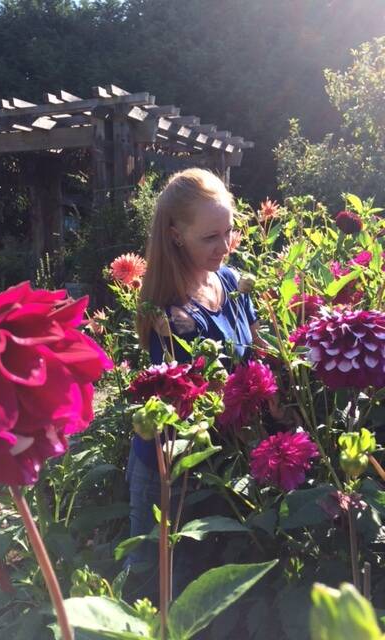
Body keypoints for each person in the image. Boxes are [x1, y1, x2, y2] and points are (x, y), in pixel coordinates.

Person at [127, 168, 265, 598]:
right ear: (175, 235)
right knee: (159, 581)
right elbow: (185, 407)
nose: (224, 247)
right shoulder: (171, 317)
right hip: (172, 468)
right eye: (210, 238)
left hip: (222, 457)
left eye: (229, 232)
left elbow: (258, 346)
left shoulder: (229, 280)